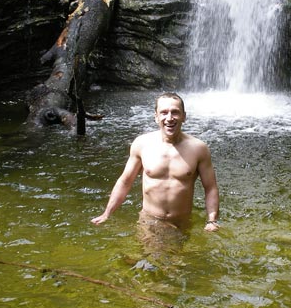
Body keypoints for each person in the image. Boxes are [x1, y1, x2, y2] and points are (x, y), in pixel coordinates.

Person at [90, 92, 220, 233]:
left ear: (184, 116)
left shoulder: (198, 148)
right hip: (149, 220)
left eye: (175, 112)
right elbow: (125, 182)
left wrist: (212, 220)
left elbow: (210, 187)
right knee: (146, 254)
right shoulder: (142, 144)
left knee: (180, 255)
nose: (169, 118)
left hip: (181, 222)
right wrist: (107, 213)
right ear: (156, 117)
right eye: (164, 113)